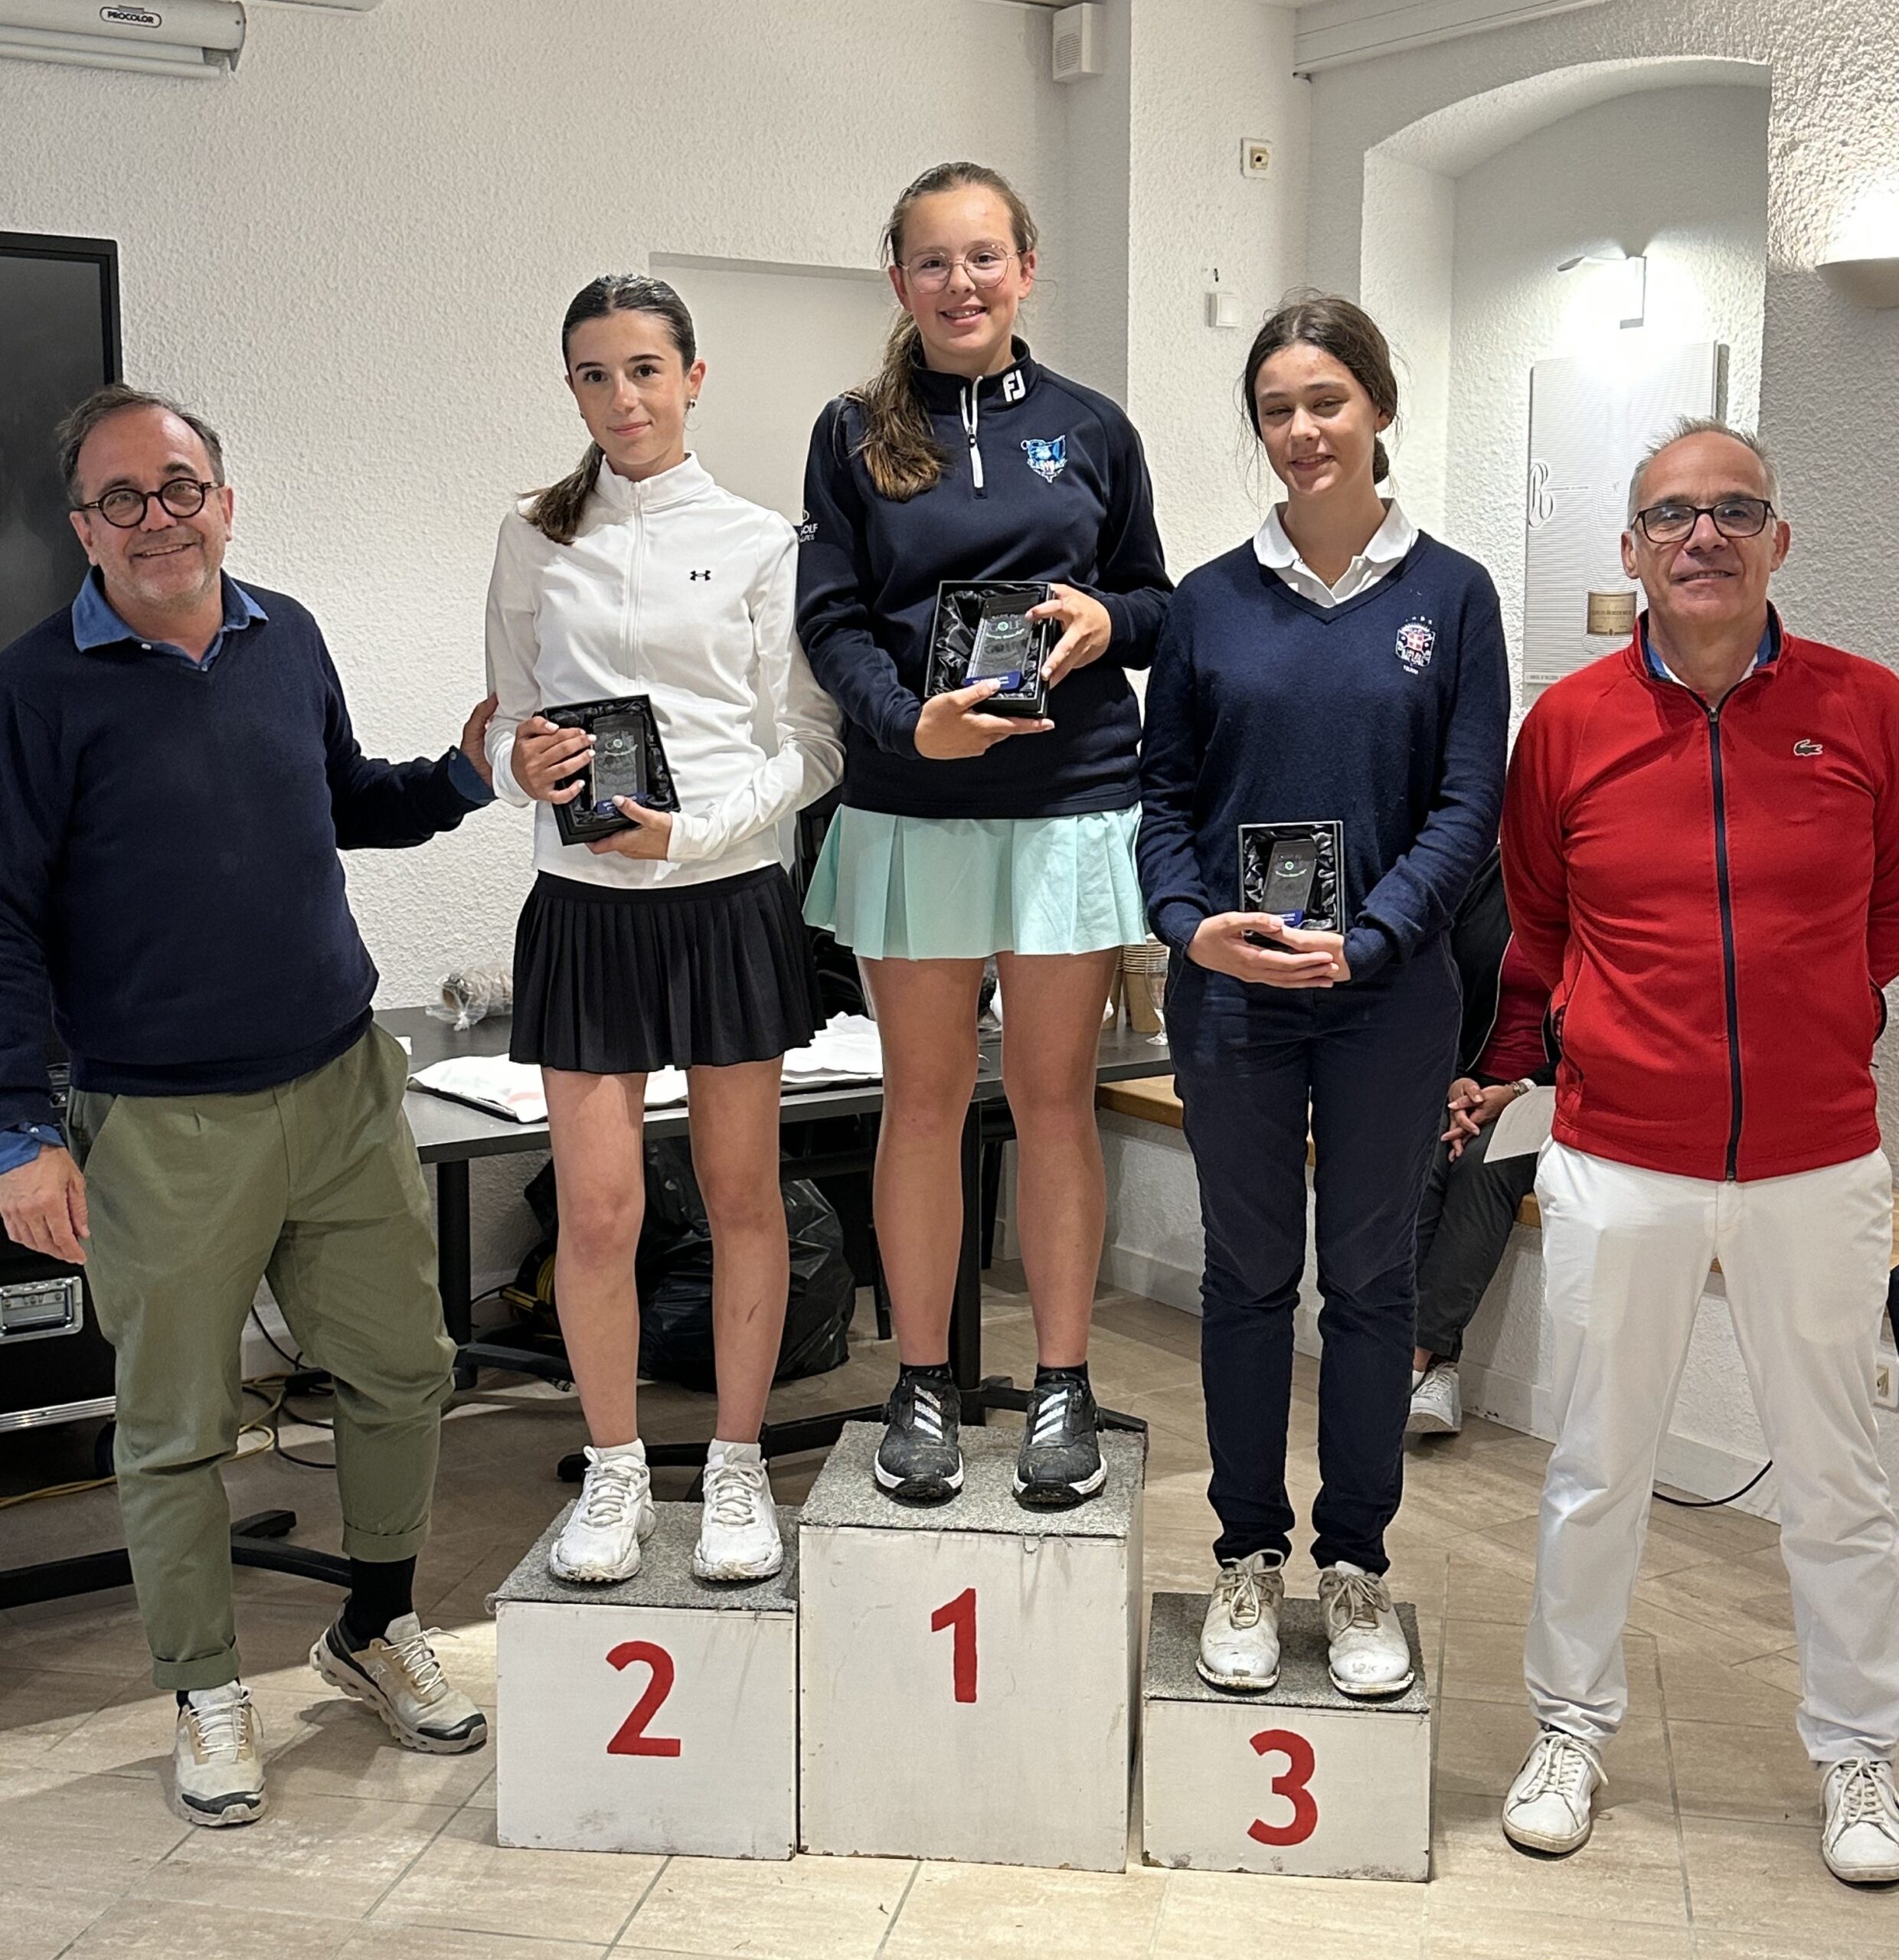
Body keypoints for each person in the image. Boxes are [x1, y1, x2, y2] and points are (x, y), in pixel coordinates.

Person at [0, 384, 495, 1828]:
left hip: (341, 1085)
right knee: (173, 1430)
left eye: (180, 486)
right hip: (156, 1125)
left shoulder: (290, 635)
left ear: (224, 499)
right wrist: (20, 1133)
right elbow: (4, 919)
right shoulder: (34, 688)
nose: (157, 518)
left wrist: (463, 777)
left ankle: (375, 1627)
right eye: (121, 498)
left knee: (405, 1372)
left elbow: (337, 800)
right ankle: (205, 1689)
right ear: (83, 528)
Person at [1499, 417, 1899, 1884]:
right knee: (1597, 1469)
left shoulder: (1870, 710)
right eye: (1674, 515)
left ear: (1779, 540)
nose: (1705, 537)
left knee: (1840, 1478)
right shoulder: (1569, 725)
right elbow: (1538, 926)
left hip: (1817, 1162)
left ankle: (1861, 1751)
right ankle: (1569, 1731)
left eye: (1735, 511)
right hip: (1622, 1161)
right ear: (1633, 549)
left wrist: (1823, 1021)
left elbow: (1887, 916)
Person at [1138, 294, 1508, 1698]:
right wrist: (1193, 930)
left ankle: (1354, 1565)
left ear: (1379, 409)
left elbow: (1467, 806)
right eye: (1278, 409)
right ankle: (1247, 1552)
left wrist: (1376, 937)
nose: (1302, 431)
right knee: (1245, 1279)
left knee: (1371, 1284)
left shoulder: (1451, 596)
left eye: (1327, 402)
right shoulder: (1207, 602)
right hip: (1234, 994)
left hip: (1387, 996)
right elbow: (1163, 803)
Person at [796, 161, 1170, 1509]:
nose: (961, 283)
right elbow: (832, 620)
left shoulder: (1094, 428)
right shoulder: (853, 431)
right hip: (917, 806)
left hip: (1069, 803)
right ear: (898, 278)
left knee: (1057, 1101)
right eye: (933, 261)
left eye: (984, 257)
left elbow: (1156, 602)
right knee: (923, 1101)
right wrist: (912, 727)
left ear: (1026, 267)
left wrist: (1107, 622)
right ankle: (922, 1385)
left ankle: (1062, 1382)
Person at [485, 276, 844, 1586]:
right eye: (595, 374)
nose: (621, 397)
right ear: (571, 389)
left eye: (644, 370)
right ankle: (616, 1467)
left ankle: (737, 1465)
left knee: (742, 1199)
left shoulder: (761, 540)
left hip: (724, 900)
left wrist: (690, 835)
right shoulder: (533, 534)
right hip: (584, 911)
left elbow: (811, 743)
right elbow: (500, 718)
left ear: (694, 377)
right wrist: (514, 763)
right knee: (597, 1212)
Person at [1407, 850, 1555, 1437]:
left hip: (1555, 1093)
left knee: (1481, 1167)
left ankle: (1414, 1360)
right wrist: (1456, 1081)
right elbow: (1439, 993)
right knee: (1421, 1164)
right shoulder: (1488, 877)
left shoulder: (1603, 895)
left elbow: (1605, 1028)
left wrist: (1519, 1090)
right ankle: (1433, 1371)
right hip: (1465, 1085)